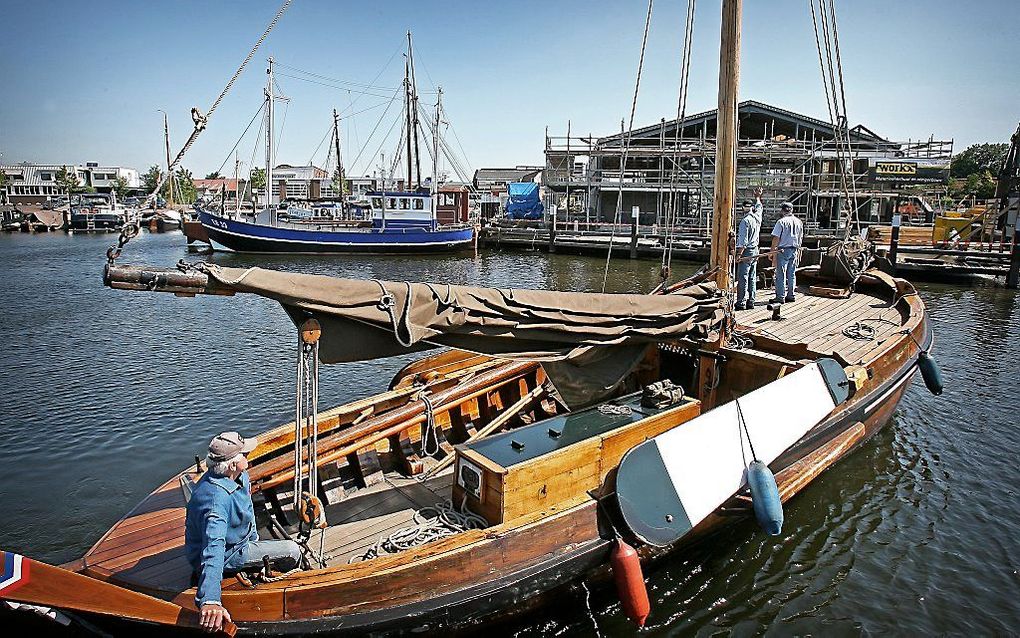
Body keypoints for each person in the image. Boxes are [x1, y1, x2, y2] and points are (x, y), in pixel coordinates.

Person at [185, 432, 303, 633]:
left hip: (241, 539)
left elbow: (247, 509)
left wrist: (254, 537)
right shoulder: (215, 503)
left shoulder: (237, 476)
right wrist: (210, 599)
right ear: (232, 465)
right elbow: (213, 548)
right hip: (229, 553)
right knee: (293, 550)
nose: (248, 456)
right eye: (245, 454)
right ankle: (296, 585)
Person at [735, 187, 763, 310]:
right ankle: (751, 301)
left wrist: (738, 255)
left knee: (743, 277)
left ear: (743, 208)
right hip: (755, 250)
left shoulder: (745, 222)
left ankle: (741, 302)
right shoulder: (757, 217)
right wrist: (757, 197)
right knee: (752, 277)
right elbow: (760, 207)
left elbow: (743, 242)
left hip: (747, 252)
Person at [770, 202, 803, 303]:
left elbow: (776, 238)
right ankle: (791, 295)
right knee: (791, 273)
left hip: (783, 249)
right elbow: (800, 237)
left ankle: (780, 297)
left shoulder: (781, 222)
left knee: (781, 273)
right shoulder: (799, 222)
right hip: (794, 248)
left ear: (782, 210)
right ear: (792, 210)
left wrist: (772, 251)